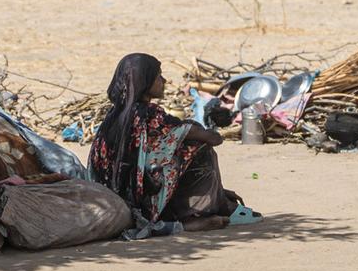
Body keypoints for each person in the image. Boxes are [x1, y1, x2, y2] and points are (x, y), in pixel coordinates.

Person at [89, 53, 247, 232]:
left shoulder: (113, 117)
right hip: (142, 204)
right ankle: (196, 214)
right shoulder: (150, 115)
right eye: (158, 76)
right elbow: (213, 139)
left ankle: (213, 200)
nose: (164, 80)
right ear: (145, 82)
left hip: (110, 197)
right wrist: (195, 131)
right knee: (198, 147)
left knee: (175, 146)